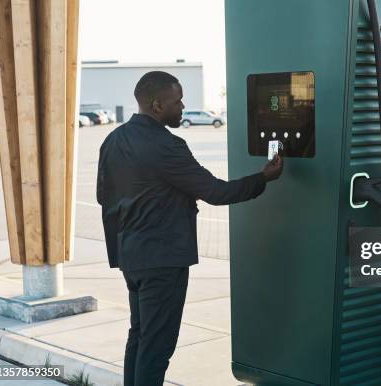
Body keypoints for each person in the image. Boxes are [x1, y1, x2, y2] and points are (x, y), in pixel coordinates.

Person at [96, 71, 283, 386]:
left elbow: (104, 196)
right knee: (157, 347)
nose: (182, 107)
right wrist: (263, 178)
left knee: (139, 336)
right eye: (177, 100)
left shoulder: (113, 140)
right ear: (157, 105)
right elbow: (215, 192)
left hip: (131, 257)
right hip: (162, 261)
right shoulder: (167, 145)